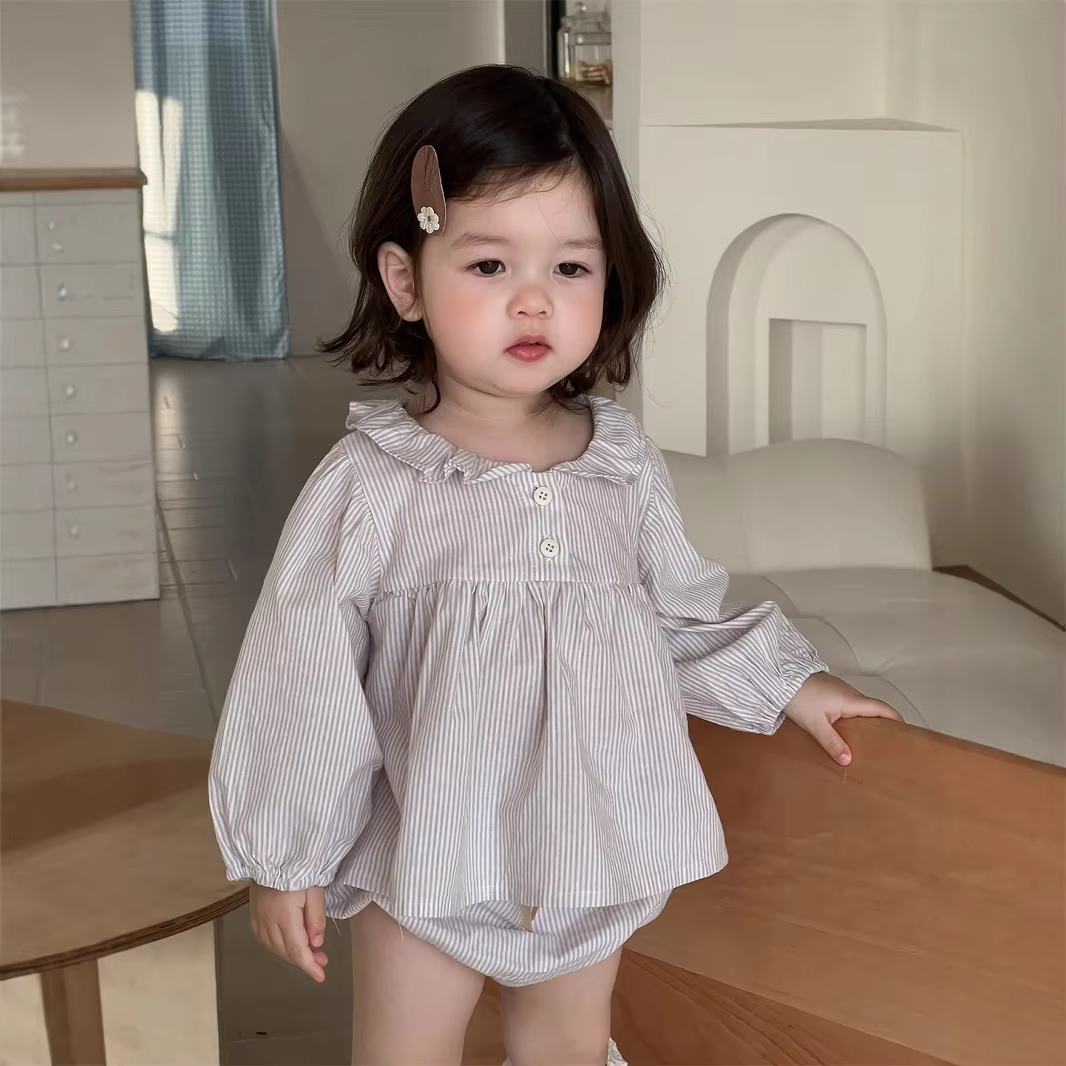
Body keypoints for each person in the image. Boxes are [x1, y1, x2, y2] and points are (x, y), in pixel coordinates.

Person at [209, 64, 900, 1066]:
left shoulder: (619, 464)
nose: (533, 301)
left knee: (569, 1046)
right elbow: (301, 675)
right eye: (490, 265)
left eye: (570, 268)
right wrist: (286, 855)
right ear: (406, 281)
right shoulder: (375, 482)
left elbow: (678, 611)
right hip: (430, 855)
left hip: (589, 849)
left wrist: (787, 681)